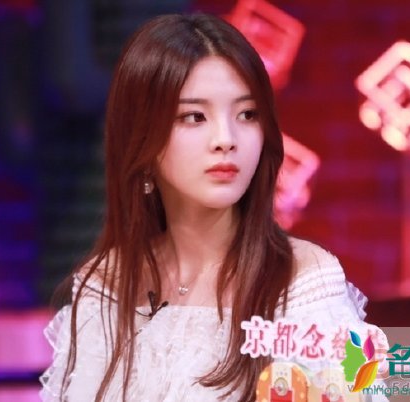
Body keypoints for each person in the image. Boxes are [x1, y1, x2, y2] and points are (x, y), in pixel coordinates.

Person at [39, 13, 386, 402]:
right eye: (195, 116)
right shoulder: (107, 283)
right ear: (143, 137)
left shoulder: (302, 279)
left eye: (247, 115)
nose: (226, 139)